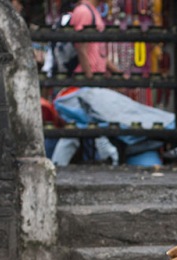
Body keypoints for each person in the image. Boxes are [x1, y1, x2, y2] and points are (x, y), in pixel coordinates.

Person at [51, 0, 122, 166]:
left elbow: (95, 50)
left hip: (89, 79)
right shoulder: (84, 11)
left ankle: (58, 164)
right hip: (83, 81)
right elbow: (80, 47)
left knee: (79, 124)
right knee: (87, 120)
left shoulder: (92, 11)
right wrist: (89, 77)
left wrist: (116, 73)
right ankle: (106, 152)